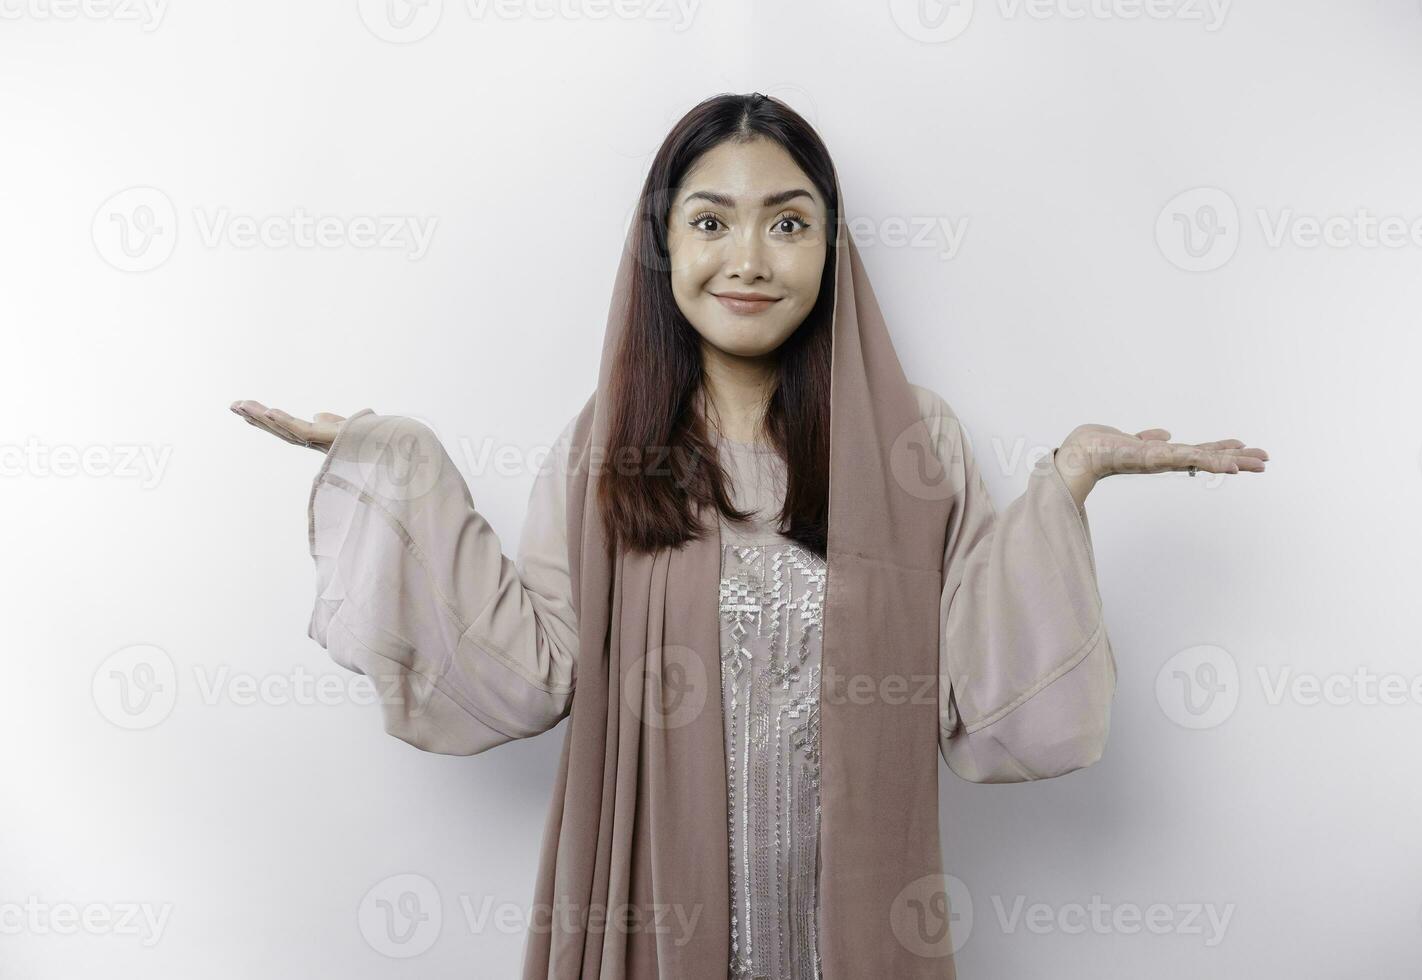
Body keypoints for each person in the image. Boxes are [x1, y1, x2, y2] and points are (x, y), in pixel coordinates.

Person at [230, 93, 1267, 980]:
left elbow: (980, 698)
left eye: (787, 222)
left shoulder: (914, 442)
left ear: (831, 243)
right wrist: (404, 465)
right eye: (712, 221)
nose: (749, 258)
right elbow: (531, 669)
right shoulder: (609, 444)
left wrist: (1070, 476)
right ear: (665, 244)